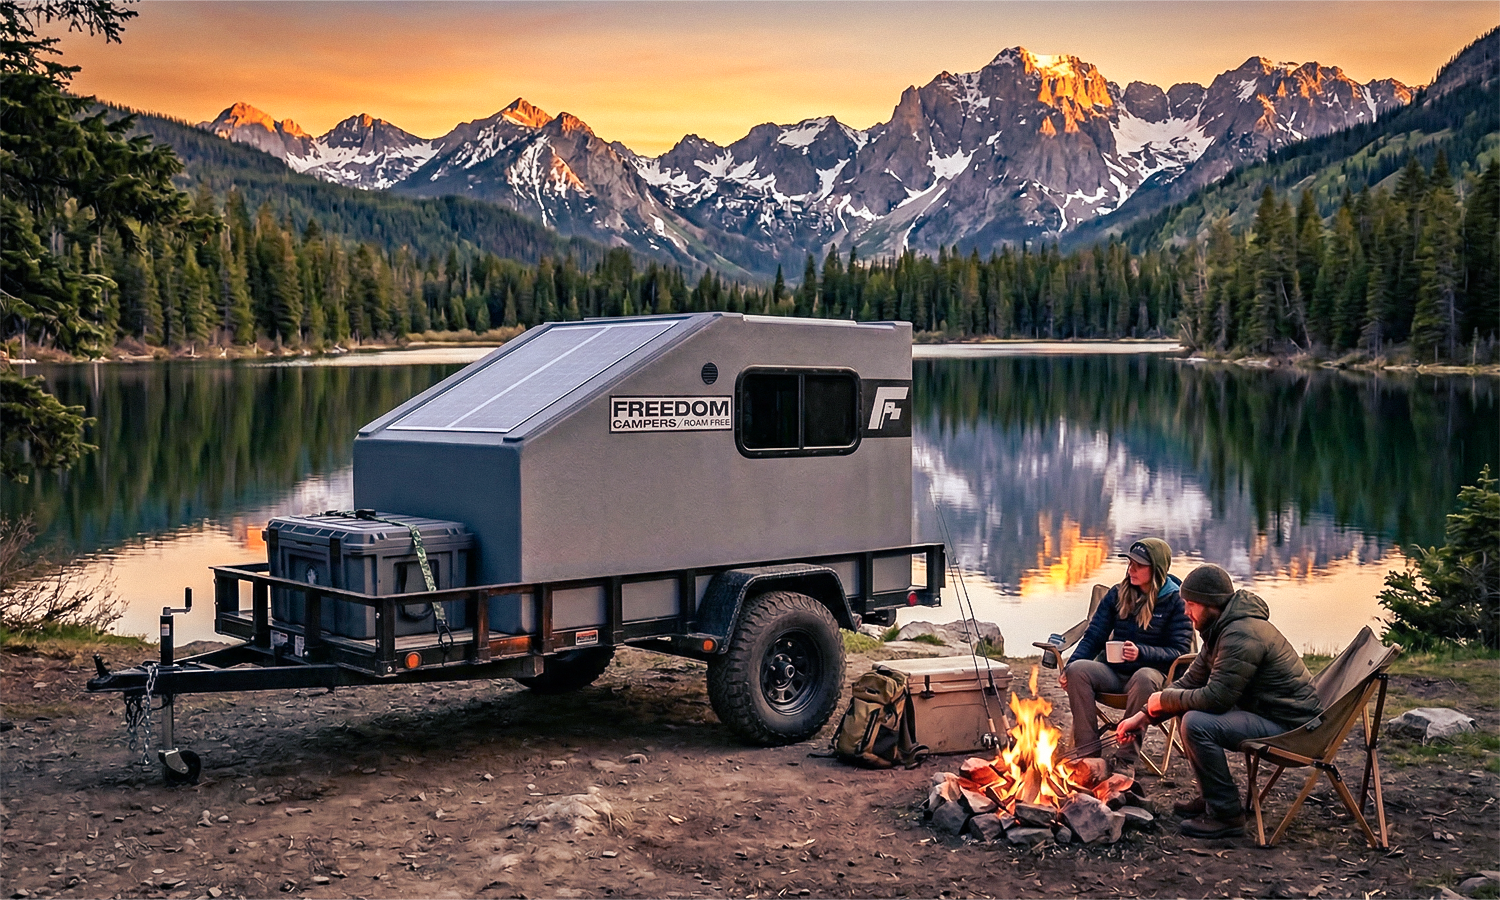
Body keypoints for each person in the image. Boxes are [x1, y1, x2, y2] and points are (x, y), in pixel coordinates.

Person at [1117, 564, 1320, 839]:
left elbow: (1216, 699)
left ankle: (1226, 814)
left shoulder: (1240, 634)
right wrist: (1141, 717)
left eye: (1191, 605)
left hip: (1292, 727)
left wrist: (1164, 698)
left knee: (1197, 722)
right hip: (1270, 712)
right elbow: (1191, 682)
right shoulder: (1222, 627)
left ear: (1211, 604)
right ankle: (1211, 797)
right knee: (1184, 705)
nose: (1186, 612)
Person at [1058, 537, 1191, 780]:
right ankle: (1089, 754)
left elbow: (1181, 652)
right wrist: (1069, 667)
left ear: (1157, 569)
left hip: (1151, 680)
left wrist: (1143, 652)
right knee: (1079, 670)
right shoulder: (1117, 594)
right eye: (1130, 563)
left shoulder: (1175, 601)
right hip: (1114, 673)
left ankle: (1125, 759)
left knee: (1144, 677)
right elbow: (1094, 637)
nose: (1131, 569)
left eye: (1139, 565)